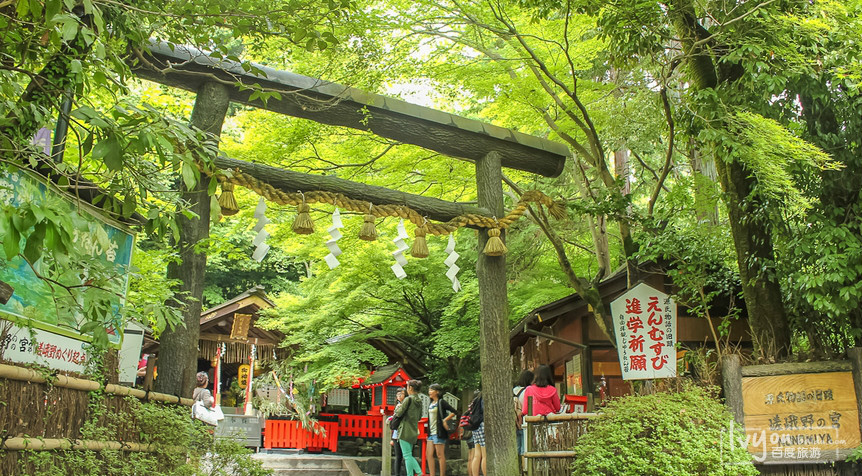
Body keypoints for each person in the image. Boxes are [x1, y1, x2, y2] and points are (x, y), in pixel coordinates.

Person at [393, 379, 423, 476]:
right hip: (414, 429)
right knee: (408, 455)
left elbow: (399, 413)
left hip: (405, 430)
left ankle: (419, 472)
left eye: (407, 387)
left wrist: (398, 408)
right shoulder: (419, 401)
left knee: (407, 455)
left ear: (410, 388)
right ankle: (410, 474)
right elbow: (419, 417)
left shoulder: (408, 399)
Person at [427, 383, 457, 476]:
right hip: (431, 432)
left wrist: (445, 420)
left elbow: (454, 411)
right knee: (428, 455)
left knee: (440, 455)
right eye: (429, 390)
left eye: (432, 390)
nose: (429, 392)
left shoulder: (441, 402)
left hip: (439, 432)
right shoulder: (430, 403)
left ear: (437, 392)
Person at [513, 369, 534, 455]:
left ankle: (518, 465)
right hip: (524, 420)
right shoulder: (527, 391)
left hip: (514, 421)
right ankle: (524, 467)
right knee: (524, 446)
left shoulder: (513, 390)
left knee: (517, 446)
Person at [467, 391, 486, 476]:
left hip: (475, 427)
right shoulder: (483, 399)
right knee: (485, 455)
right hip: (482, 425)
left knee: (477, 455)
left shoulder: (474, 401)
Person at [390, 388, 407, 476]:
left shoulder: (405, 405)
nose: (399, 396)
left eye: (401, 394)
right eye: (398, 394)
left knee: (406, 456)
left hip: (404, 433)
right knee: (398, 456)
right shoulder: (397, 405)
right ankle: (397, 474)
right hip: (396, 434)